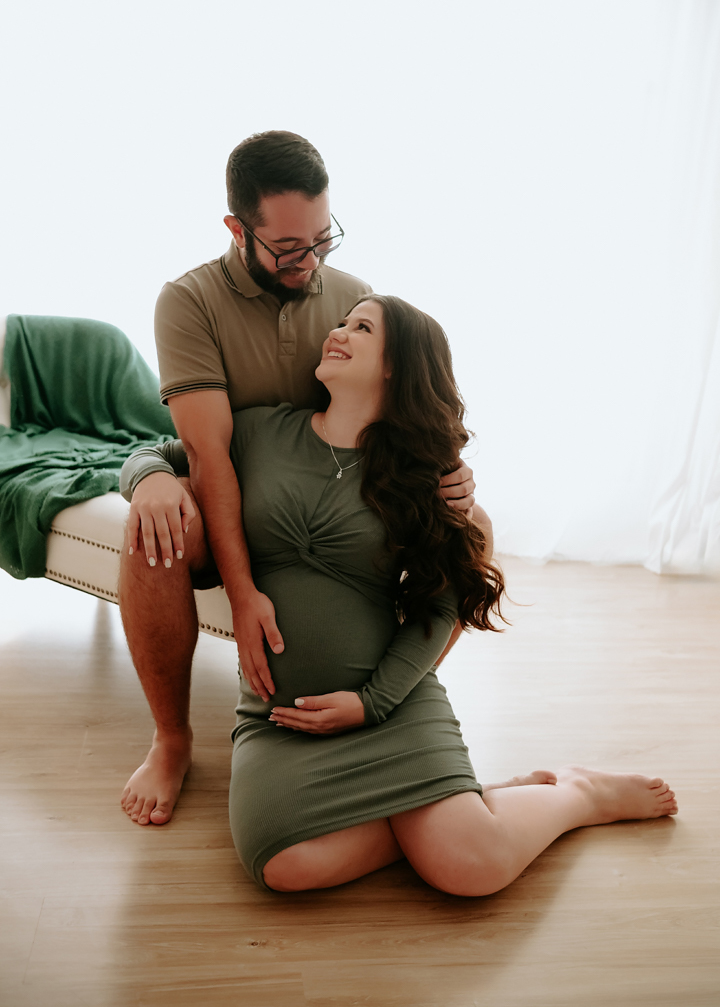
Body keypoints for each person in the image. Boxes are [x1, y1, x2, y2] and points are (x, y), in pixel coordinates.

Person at [120, 295, 677, 894]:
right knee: (282, 866)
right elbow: (154, 452)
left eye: (361, 327)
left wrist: (372, 703)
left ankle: (578, 794)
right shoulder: (260, 430)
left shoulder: (421, 475)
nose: (337, 332)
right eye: (341, 322)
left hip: (389, 703)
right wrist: (150, 480)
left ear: (395, 366)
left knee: (474, 870)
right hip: (280, 718)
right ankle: (466, 803)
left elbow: (442, 604)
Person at [119, 131, 490, 828]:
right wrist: (234, 582)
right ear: (238, 230)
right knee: (154, 532)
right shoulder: (189, 301)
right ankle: (171, 741)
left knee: (476, 529)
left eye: (323, 239)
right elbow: (206, 454)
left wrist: (450, 471)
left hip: (334, 498)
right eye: (290, 248)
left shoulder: (352, 299)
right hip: (240, 495)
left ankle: (395, 704)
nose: (311, 261)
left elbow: (397, 403)